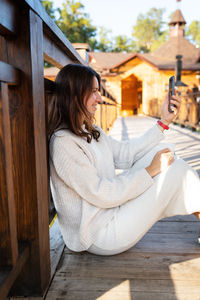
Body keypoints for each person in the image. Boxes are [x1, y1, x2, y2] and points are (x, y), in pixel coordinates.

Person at [48, 63, 200, 256]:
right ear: (75, 94)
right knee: (176, 171)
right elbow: (101, 192)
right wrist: (150, 171)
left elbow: (126, 153)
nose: (99, 98)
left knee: (164, 151)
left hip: (111, 212)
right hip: (98, 235)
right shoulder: (64, 144)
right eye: (94, 91)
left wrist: (163, 123)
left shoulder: (90, 131)